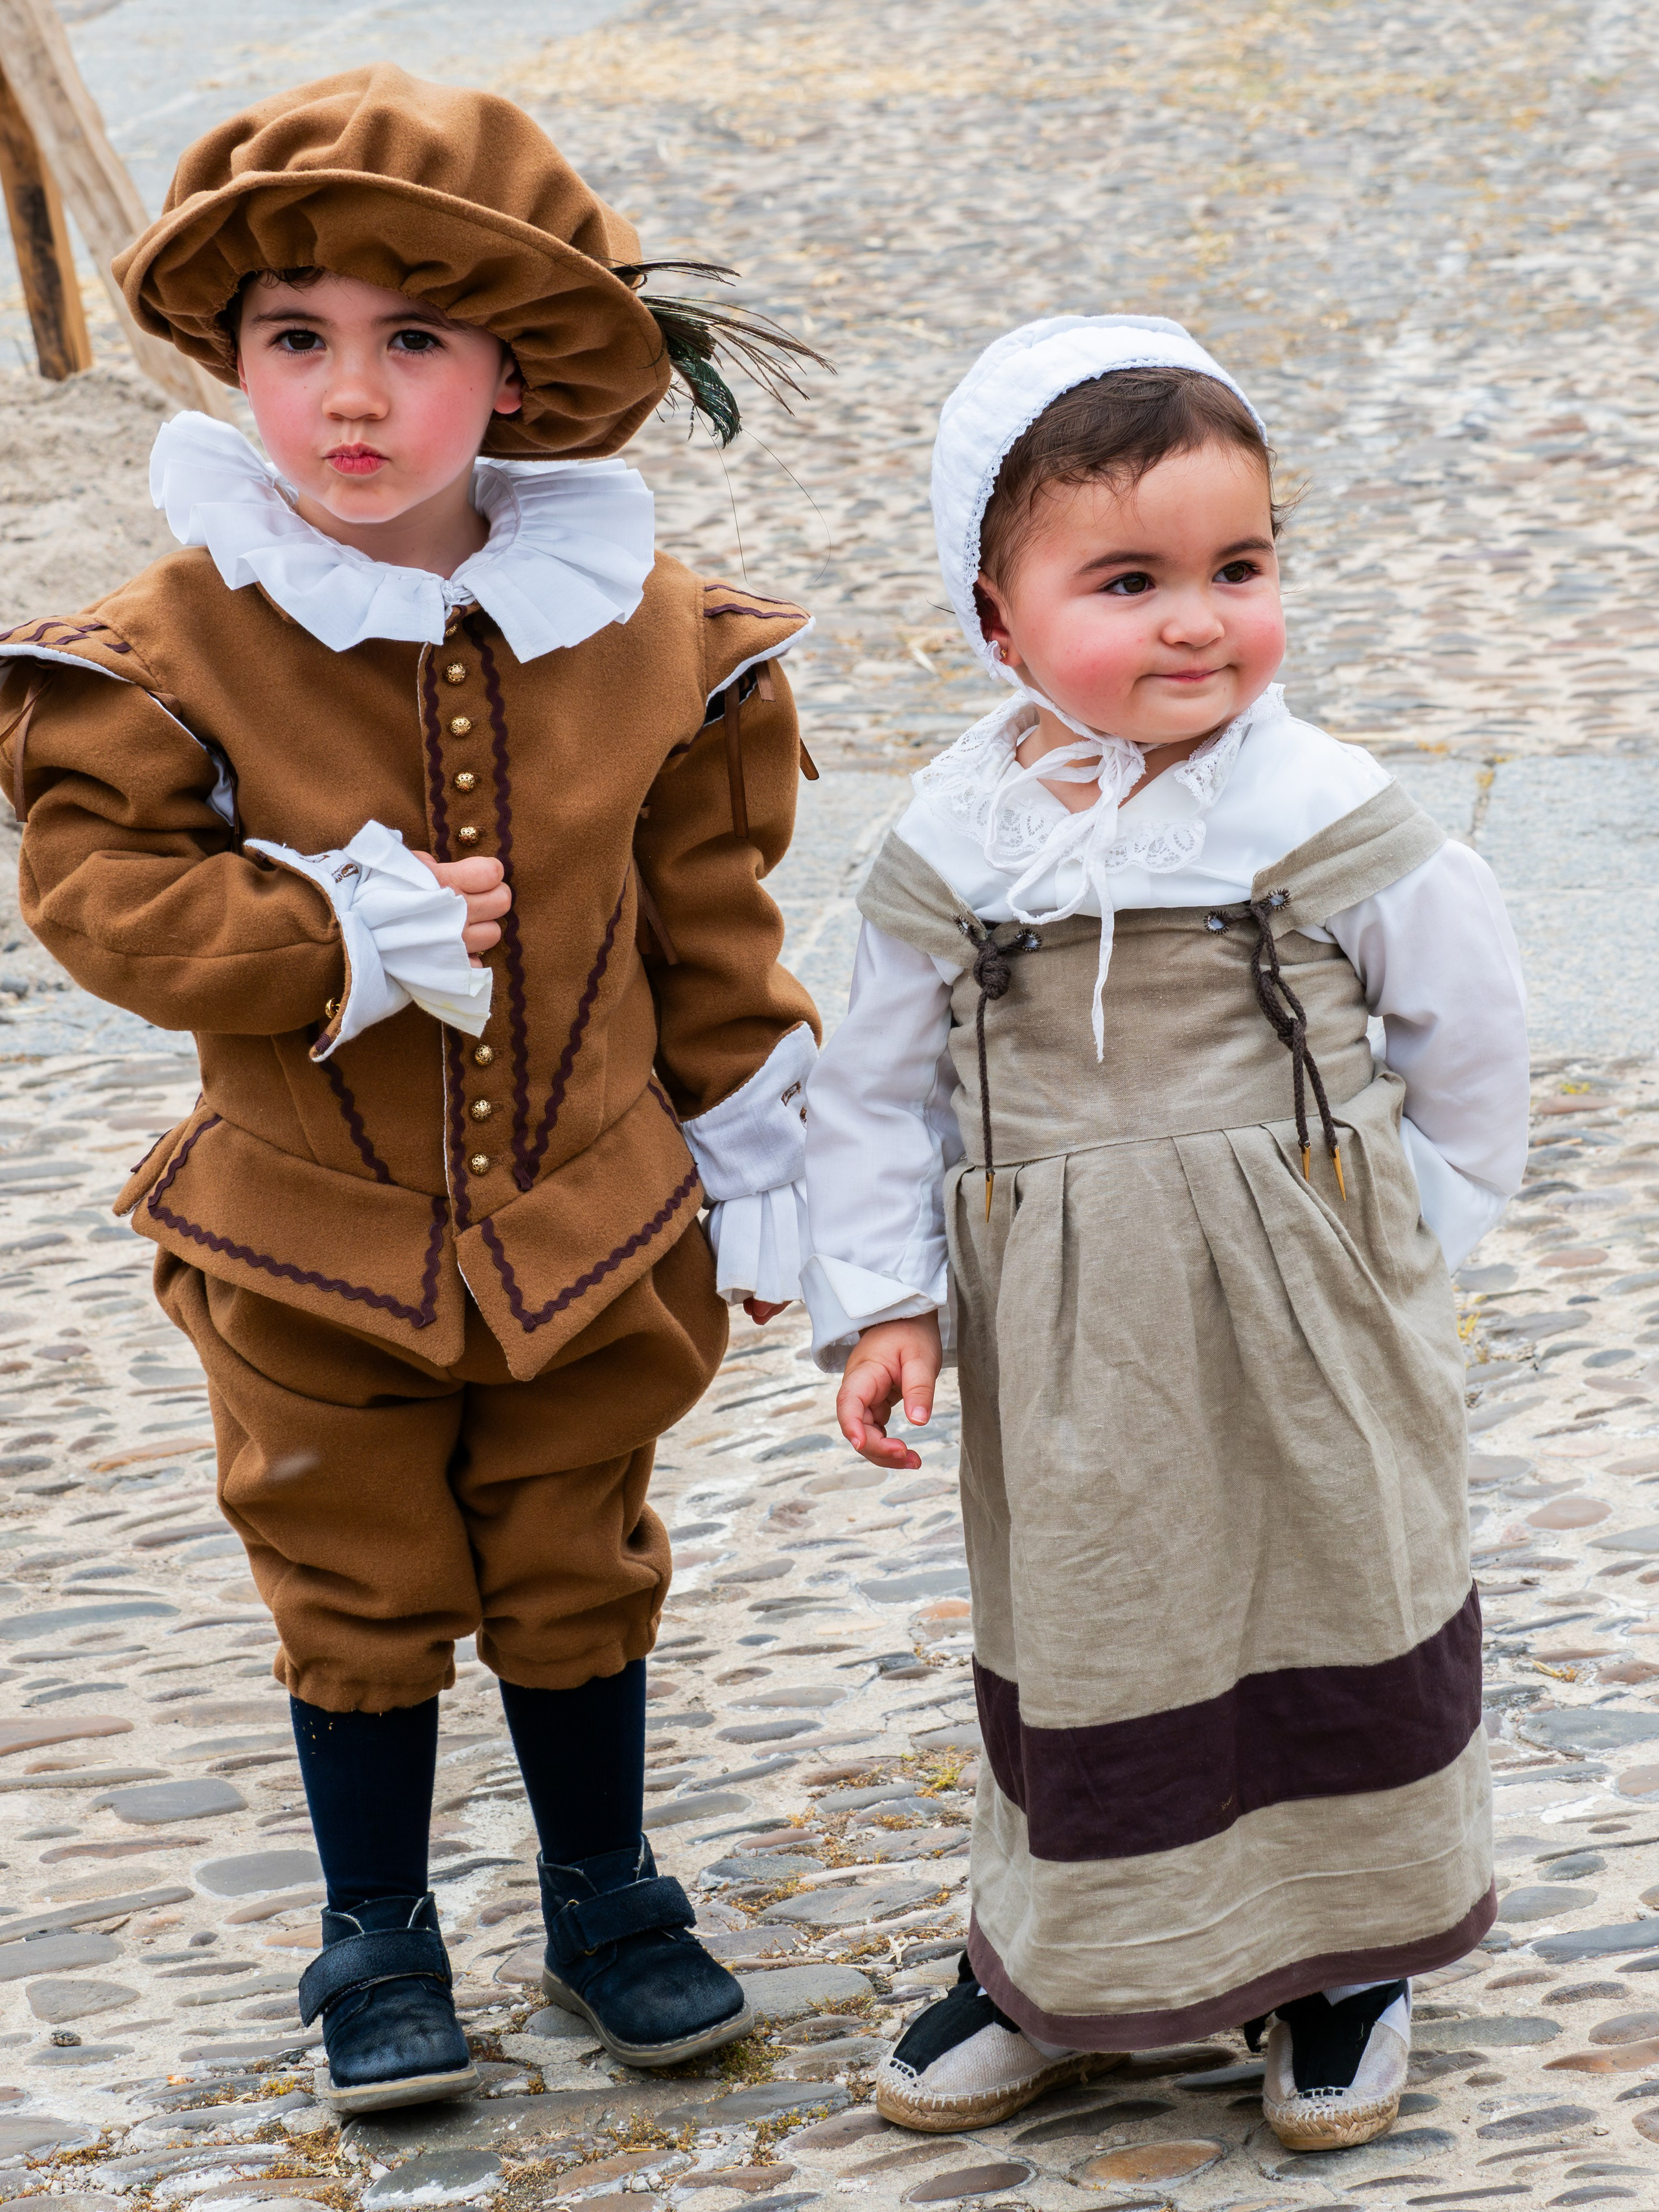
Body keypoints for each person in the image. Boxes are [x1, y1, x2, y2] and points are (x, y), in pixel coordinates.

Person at [0, 66, 825, 2113]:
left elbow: (702, 915)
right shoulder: (167, 641)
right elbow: (96, 892)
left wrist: (763, 1147)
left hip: (591, 1209)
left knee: (574, 1543)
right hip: (310, 1233)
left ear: (523, 376)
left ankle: (607, 1890)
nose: (347, 398)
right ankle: (375, 1928)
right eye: (297, 342)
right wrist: (322, 944)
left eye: (412, 343)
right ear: (237, 364)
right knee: (352, 1569)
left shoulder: (654, 634)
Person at [800, 316, 1527, 2151]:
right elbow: (879, 1091)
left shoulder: (1318, 809)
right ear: (997, 615)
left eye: (1240, 568)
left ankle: (1346, 1955)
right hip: (1067, 1325)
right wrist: (881, 1298)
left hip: (1308, 1301)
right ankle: (1073, 1959)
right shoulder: (958, 845)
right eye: (1131, 580)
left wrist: (1404, 1241)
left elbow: (1468, 1032)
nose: (1200, 619)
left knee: (1334, 1579)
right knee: (1098, 1621)